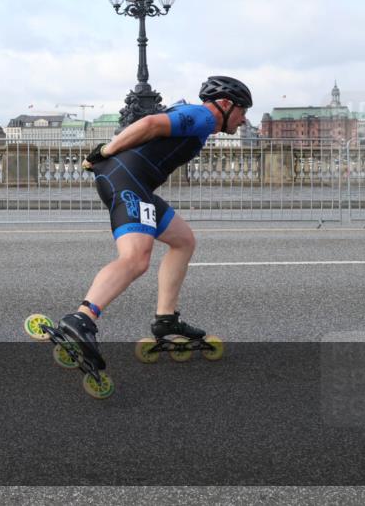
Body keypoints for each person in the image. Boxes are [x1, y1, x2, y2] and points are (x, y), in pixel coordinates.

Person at [51, 76, 253, 370]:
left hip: (135, 184)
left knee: (183, 240)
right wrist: (105, 150)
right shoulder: (203, 116)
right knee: (136, 258)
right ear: (224, 104)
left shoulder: (200, 119)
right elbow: (149, 125)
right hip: (128, 182)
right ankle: (81, 319)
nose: (244, 119)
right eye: (242, 110)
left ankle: (166, 319)